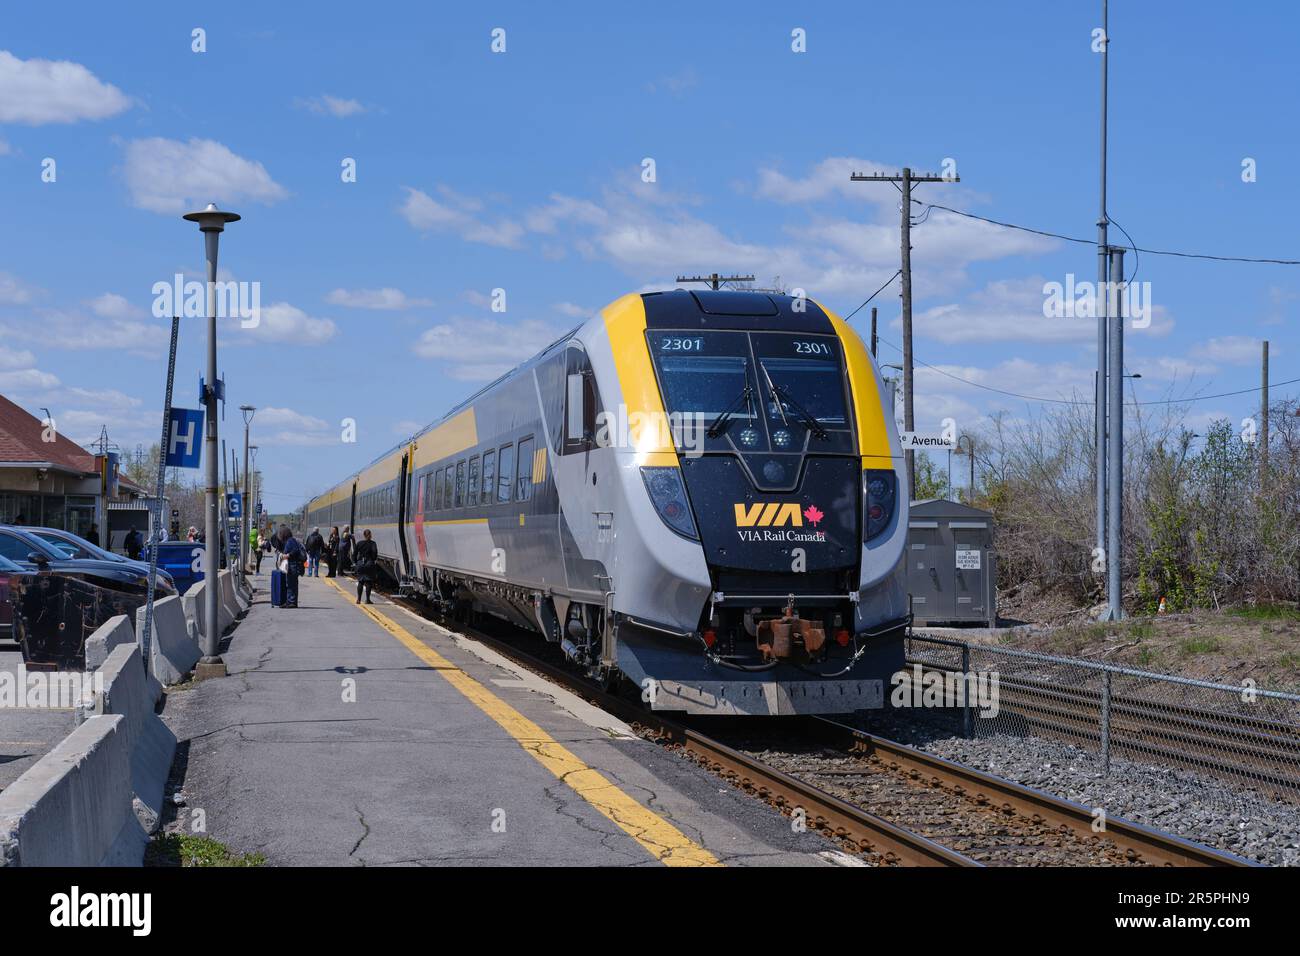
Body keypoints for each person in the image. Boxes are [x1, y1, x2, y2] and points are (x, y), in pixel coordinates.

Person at [280, 528, 305, 608]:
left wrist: (288, 555)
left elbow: (296, 550)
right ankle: (289, 601)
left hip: (293, 565)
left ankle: (292, 602)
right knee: (290, 584)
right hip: (292, 565)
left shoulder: (290, 541)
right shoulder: (290, 540)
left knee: (291, 584)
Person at [352, 529, 378, 604]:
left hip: (360, 563)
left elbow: (354, 554)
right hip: (369, 563)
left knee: (361, 581)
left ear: (364, 535)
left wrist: (355, 562)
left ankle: (359, 599)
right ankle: (367, 599)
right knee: (368, 582)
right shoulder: (373, 543)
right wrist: (372, 560)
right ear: (370, 535)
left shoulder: (359, 543)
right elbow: (375, 553)